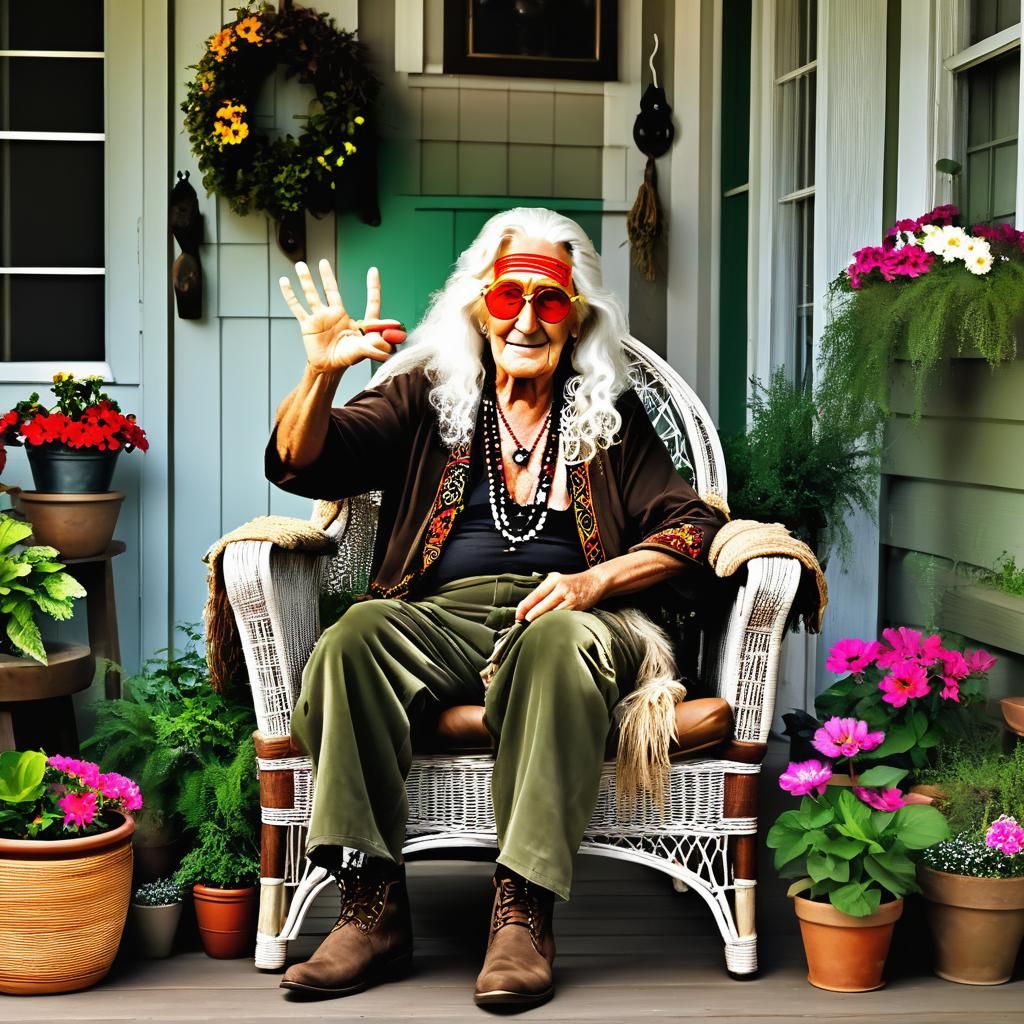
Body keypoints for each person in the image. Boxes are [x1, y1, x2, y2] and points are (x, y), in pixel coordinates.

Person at [265, 208, 725, 1008]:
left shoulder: (607, 413)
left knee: (559, 644)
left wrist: (594, 583)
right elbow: (305, 464)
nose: (525, 317)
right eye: (508, 294)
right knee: (353, 637)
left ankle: (522, 912)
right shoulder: (427, 392)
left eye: (548, 299)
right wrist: (321, 375)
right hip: (440, 616)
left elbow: (694, 525)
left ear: (577, 314)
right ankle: (370, 906)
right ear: (479, 302)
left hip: (578, 622)